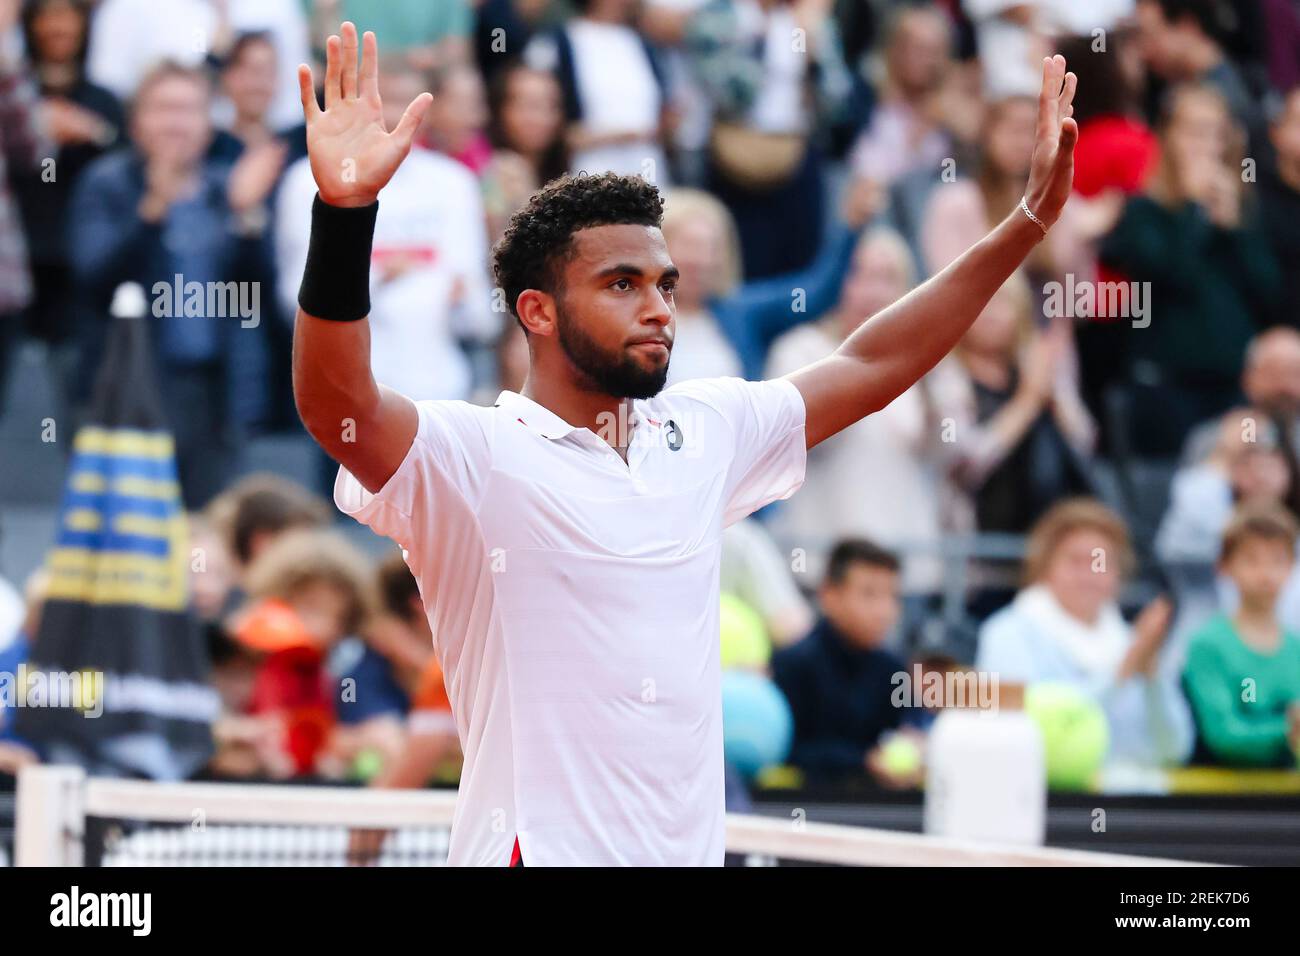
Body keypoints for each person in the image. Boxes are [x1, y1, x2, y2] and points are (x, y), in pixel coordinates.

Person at [290, 23, 1079, 865]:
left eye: (664, 284)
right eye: (621, 285)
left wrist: (1026, 224)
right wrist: (344, 216)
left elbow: (874, 359)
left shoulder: (705, 430)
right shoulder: (474, 455)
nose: (660, 306)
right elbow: (337, 405)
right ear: (538, 312)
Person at [68, 61, 272, 507]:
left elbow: (259, 294)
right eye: (163, 108)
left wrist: (248, 218)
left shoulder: (226, 189)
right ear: (137, 119)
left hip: (214, 394)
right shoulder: (107, 183)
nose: (176, 123)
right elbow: (93, 278)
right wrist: (151, 212)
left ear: (207, 123)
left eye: (189, 109)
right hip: (128, 390)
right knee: (130, 530)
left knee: (206, 531)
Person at [1099, 83, 1281, 457]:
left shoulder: (1242, 211)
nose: (1206, 145)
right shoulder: (1143, 211)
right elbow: (1170, 273)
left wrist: (1237, 231)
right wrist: (1195, 214)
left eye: (1216, 133)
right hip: (1167, 387)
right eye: (1195, 131)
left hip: (1233, 387)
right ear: (1169, 136)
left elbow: (1270, 295)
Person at [764, 225, 943, 596]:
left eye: (887, 278)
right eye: (858, 273)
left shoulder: (926, 360)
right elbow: (801, 439)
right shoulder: (800, 349)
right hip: (822, 566)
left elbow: (945, 456)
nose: (871, 290)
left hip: (905, 570)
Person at [976, 498, 1195, 770]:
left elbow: (1174, 750)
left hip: (1132, 804)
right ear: (1045, 566)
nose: (1088, 575)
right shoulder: (1006, 633)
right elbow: (1034, 734)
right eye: (1074, 561)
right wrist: (1121, 672)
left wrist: (1152, 680)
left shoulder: (1131, 642)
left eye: (1100, 562)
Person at [770, 539, 923, 784]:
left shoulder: (893, 669)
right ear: (830, 596)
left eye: (892, 595)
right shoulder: (791, 665)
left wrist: (917, 740)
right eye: (869, 594)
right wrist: (864, 761)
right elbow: (785, 751)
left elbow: (914, 724)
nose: (884, 611)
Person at [1182, 503, 1300, 767]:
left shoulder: (1296, 647)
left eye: (1277, 559)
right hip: (1224, 805)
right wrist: (1289, 729)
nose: (1266, 573)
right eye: (1251, 559)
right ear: (1224, 566)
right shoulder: (1209, 644)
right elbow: (1225, 736)